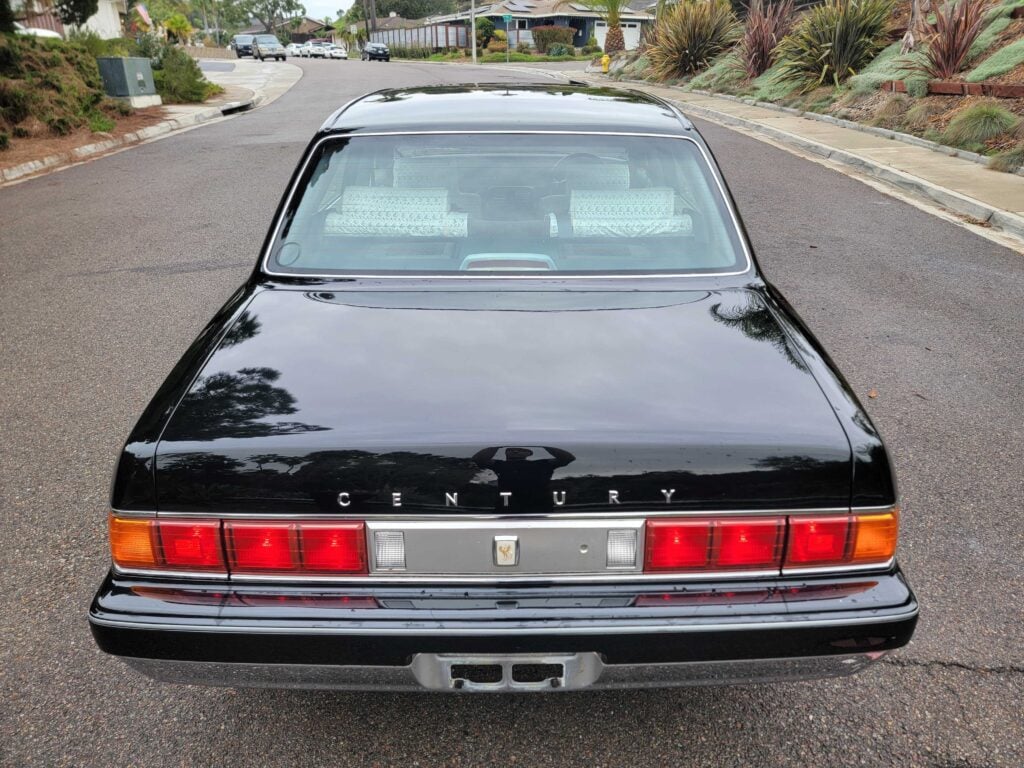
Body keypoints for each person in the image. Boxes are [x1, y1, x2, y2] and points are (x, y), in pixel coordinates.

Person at [471, 446, 576, 513]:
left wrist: (544, 445)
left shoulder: (542, 464)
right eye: (511, 449)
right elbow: (479, 459)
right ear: (505, 453)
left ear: (529, 454)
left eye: (520, 450)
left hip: (540, 507)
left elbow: (567, 458)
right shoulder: (500, 465)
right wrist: (497, 445)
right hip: (507, 508)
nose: (515, 450)